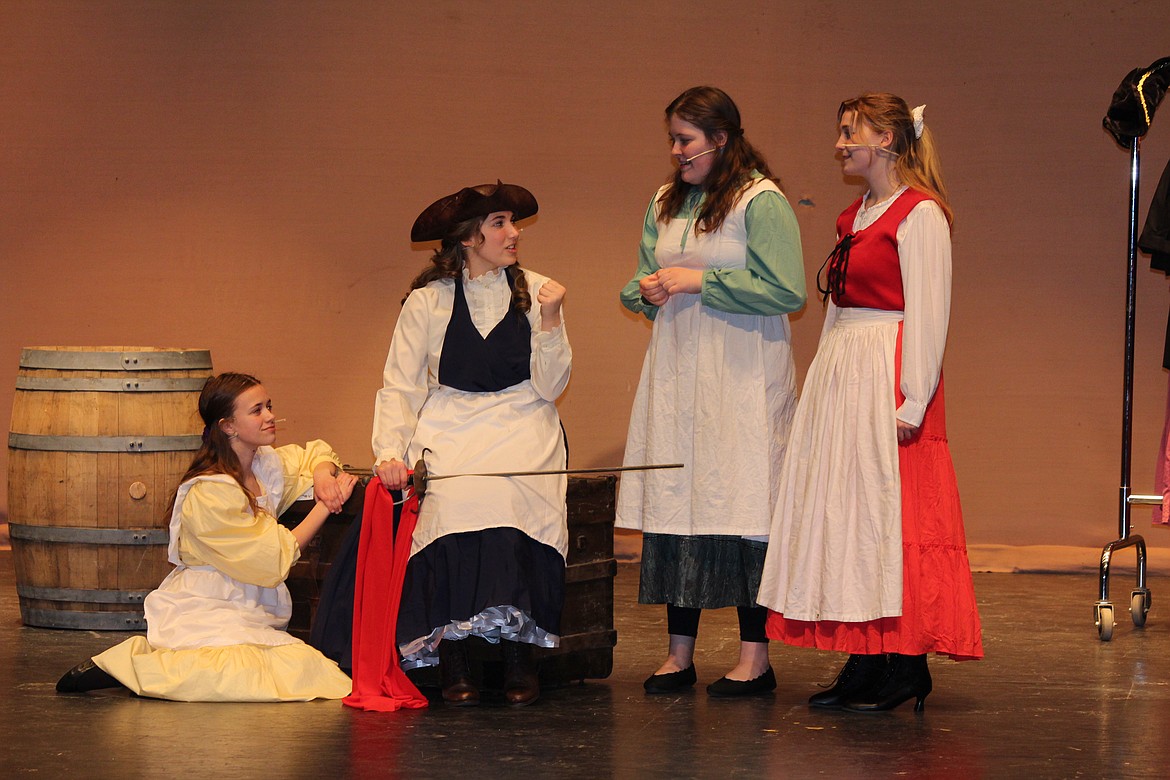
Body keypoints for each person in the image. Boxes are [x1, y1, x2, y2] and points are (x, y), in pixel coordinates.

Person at [756, 93, 984, 713]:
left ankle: (905, 663)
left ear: (886, 138)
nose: (839, 144)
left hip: (890, 367)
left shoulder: (921, 214)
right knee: (855, 513)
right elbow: (837, 308)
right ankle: (868, 656)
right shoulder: (853, 215)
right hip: (847, 368)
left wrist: (913, 399)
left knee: (895, 514)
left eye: (849, 132)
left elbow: (929, 314)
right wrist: (822, 383)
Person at [617, 86, 806, 697]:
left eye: (686, 140)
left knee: (746, 503)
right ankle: (679, 653)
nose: (676, 152)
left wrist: (701, 280)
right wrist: (642, 292)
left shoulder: (762, 201)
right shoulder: (665, 203)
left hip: (743, 377)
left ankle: (755, 657)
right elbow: (643, 276)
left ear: (721, 139)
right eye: (672, 140)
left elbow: (787, 291)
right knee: (679, 502)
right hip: (678, 375)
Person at [373, 181, 570, 707]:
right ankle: (453, 655)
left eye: (513, 222)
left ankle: (518, 654)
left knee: (511, 504)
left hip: (522, 419)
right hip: (451, 423)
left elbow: (550, 387)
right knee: (452, 508)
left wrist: (550, 321)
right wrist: (389, 452)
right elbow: (401, 384)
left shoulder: (539, 289)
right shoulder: (427, 301)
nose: (514, 233)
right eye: (501, 223)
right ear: (468, 237)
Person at [56, 372, 357, 701]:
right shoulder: (211, 492)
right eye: (257, 410)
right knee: (237, 673)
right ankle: (123, 667)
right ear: (228, 425)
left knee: (294, 670)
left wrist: (322, 474)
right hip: (209, 603)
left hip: (249, 603)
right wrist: (327, 504)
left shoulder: (263, 465)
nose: (270, 416)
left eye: (268, 406)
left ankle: (142, 668)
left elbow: (314, 453)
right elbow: (271, 557)